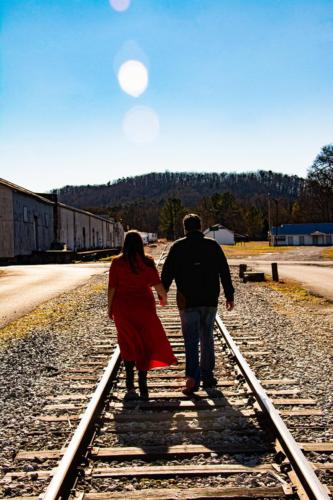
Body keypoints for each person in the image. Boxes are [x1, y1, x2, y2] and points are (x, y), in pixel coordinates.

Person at [161, 214, 234, 395]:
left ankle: (193, 379)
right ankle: (208, 376)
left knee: (191, 341)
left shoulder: (178, 247)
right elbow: (224, 272)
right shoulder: (212, 246)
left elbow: (167, 273)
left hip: (187, 301)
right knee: (207, 337)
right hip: (210, 300)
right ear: (200, 226)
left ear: (185, 228)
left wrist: (163, 294)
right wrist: (229, 295)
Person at [108, 230, 177, 400]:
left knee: (127, 343)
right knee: (144, 343)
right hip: (144, 308)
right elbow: (158, 286)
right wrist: (163, 298)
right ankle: (143, 385)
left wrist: (110, 309)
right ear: (140, 244)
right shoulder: (147, 262)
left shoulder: (117, 263)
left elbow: (112, 288)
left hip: (122, 307)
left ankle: (130, 385)